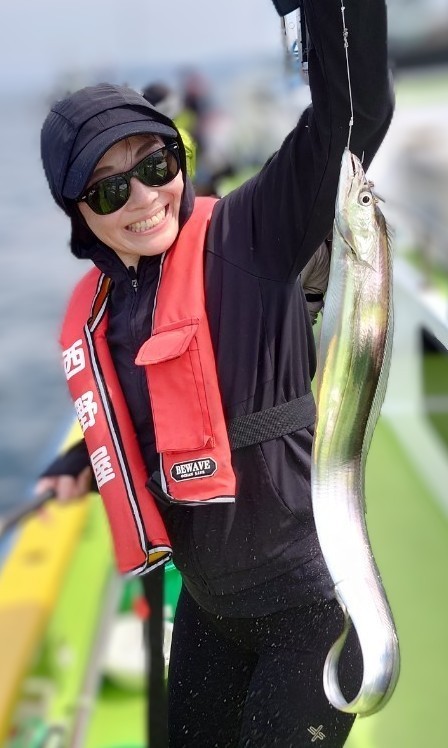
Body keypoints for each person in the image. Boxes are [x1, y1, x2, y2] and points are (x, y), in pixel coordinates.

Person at [36, 0, 394, 746]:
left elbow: (356, 112)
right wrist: (80, 464)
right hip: (207, 610)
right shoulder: (106, 311)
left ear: (179, 157)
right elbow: (144, 420)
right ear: (79, 214)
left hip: (309, 607)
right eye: (110, 190)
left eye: (155, 166)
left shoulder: (250, 233)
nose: (145, 199)